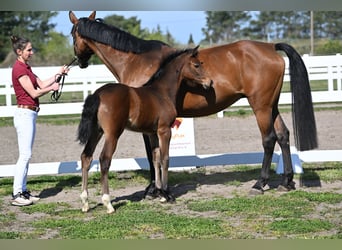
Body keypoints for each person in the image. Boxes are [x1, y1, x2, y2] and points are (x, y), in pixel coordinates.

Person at [10, 35, 70, 206]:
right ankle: (17, 194)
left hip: (30, 114)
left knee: (26, 155)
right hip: (24, 115)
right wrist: (52, 88)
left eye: (31, 49)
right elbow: (35, 93)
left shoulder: (26, 67)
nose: (32, 52)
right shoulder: (19, 70)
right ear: (19, 51)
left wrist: (58, 74)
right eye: (29, 50)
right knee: (25, 155)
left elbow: (41, 84)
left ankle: (23, 191)